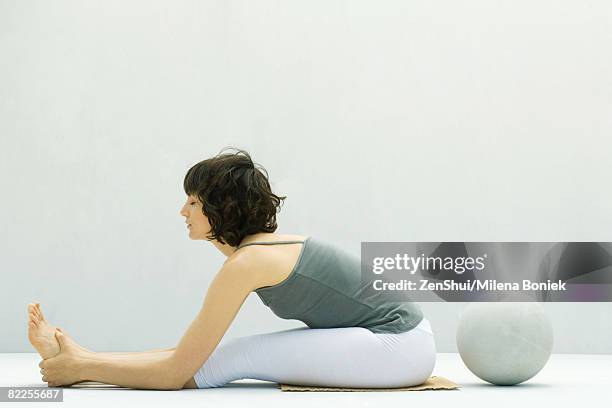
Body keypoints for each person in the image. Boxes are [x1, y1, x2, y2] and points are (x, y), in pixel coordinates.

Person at [28, 147, 436, 390]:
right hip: (404, 340)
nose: (183, 211)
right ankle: (82, 358)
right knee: (223, 355)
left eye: (192, 201)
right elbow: (190, 354)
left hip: (398, 345)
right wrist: (87, 358)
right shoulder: (258, 253)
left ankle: (79, 365)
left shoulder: (248, 262)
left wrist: (81, 370)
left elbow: (176, 373)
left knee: (231, 360)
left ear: (220, 208)